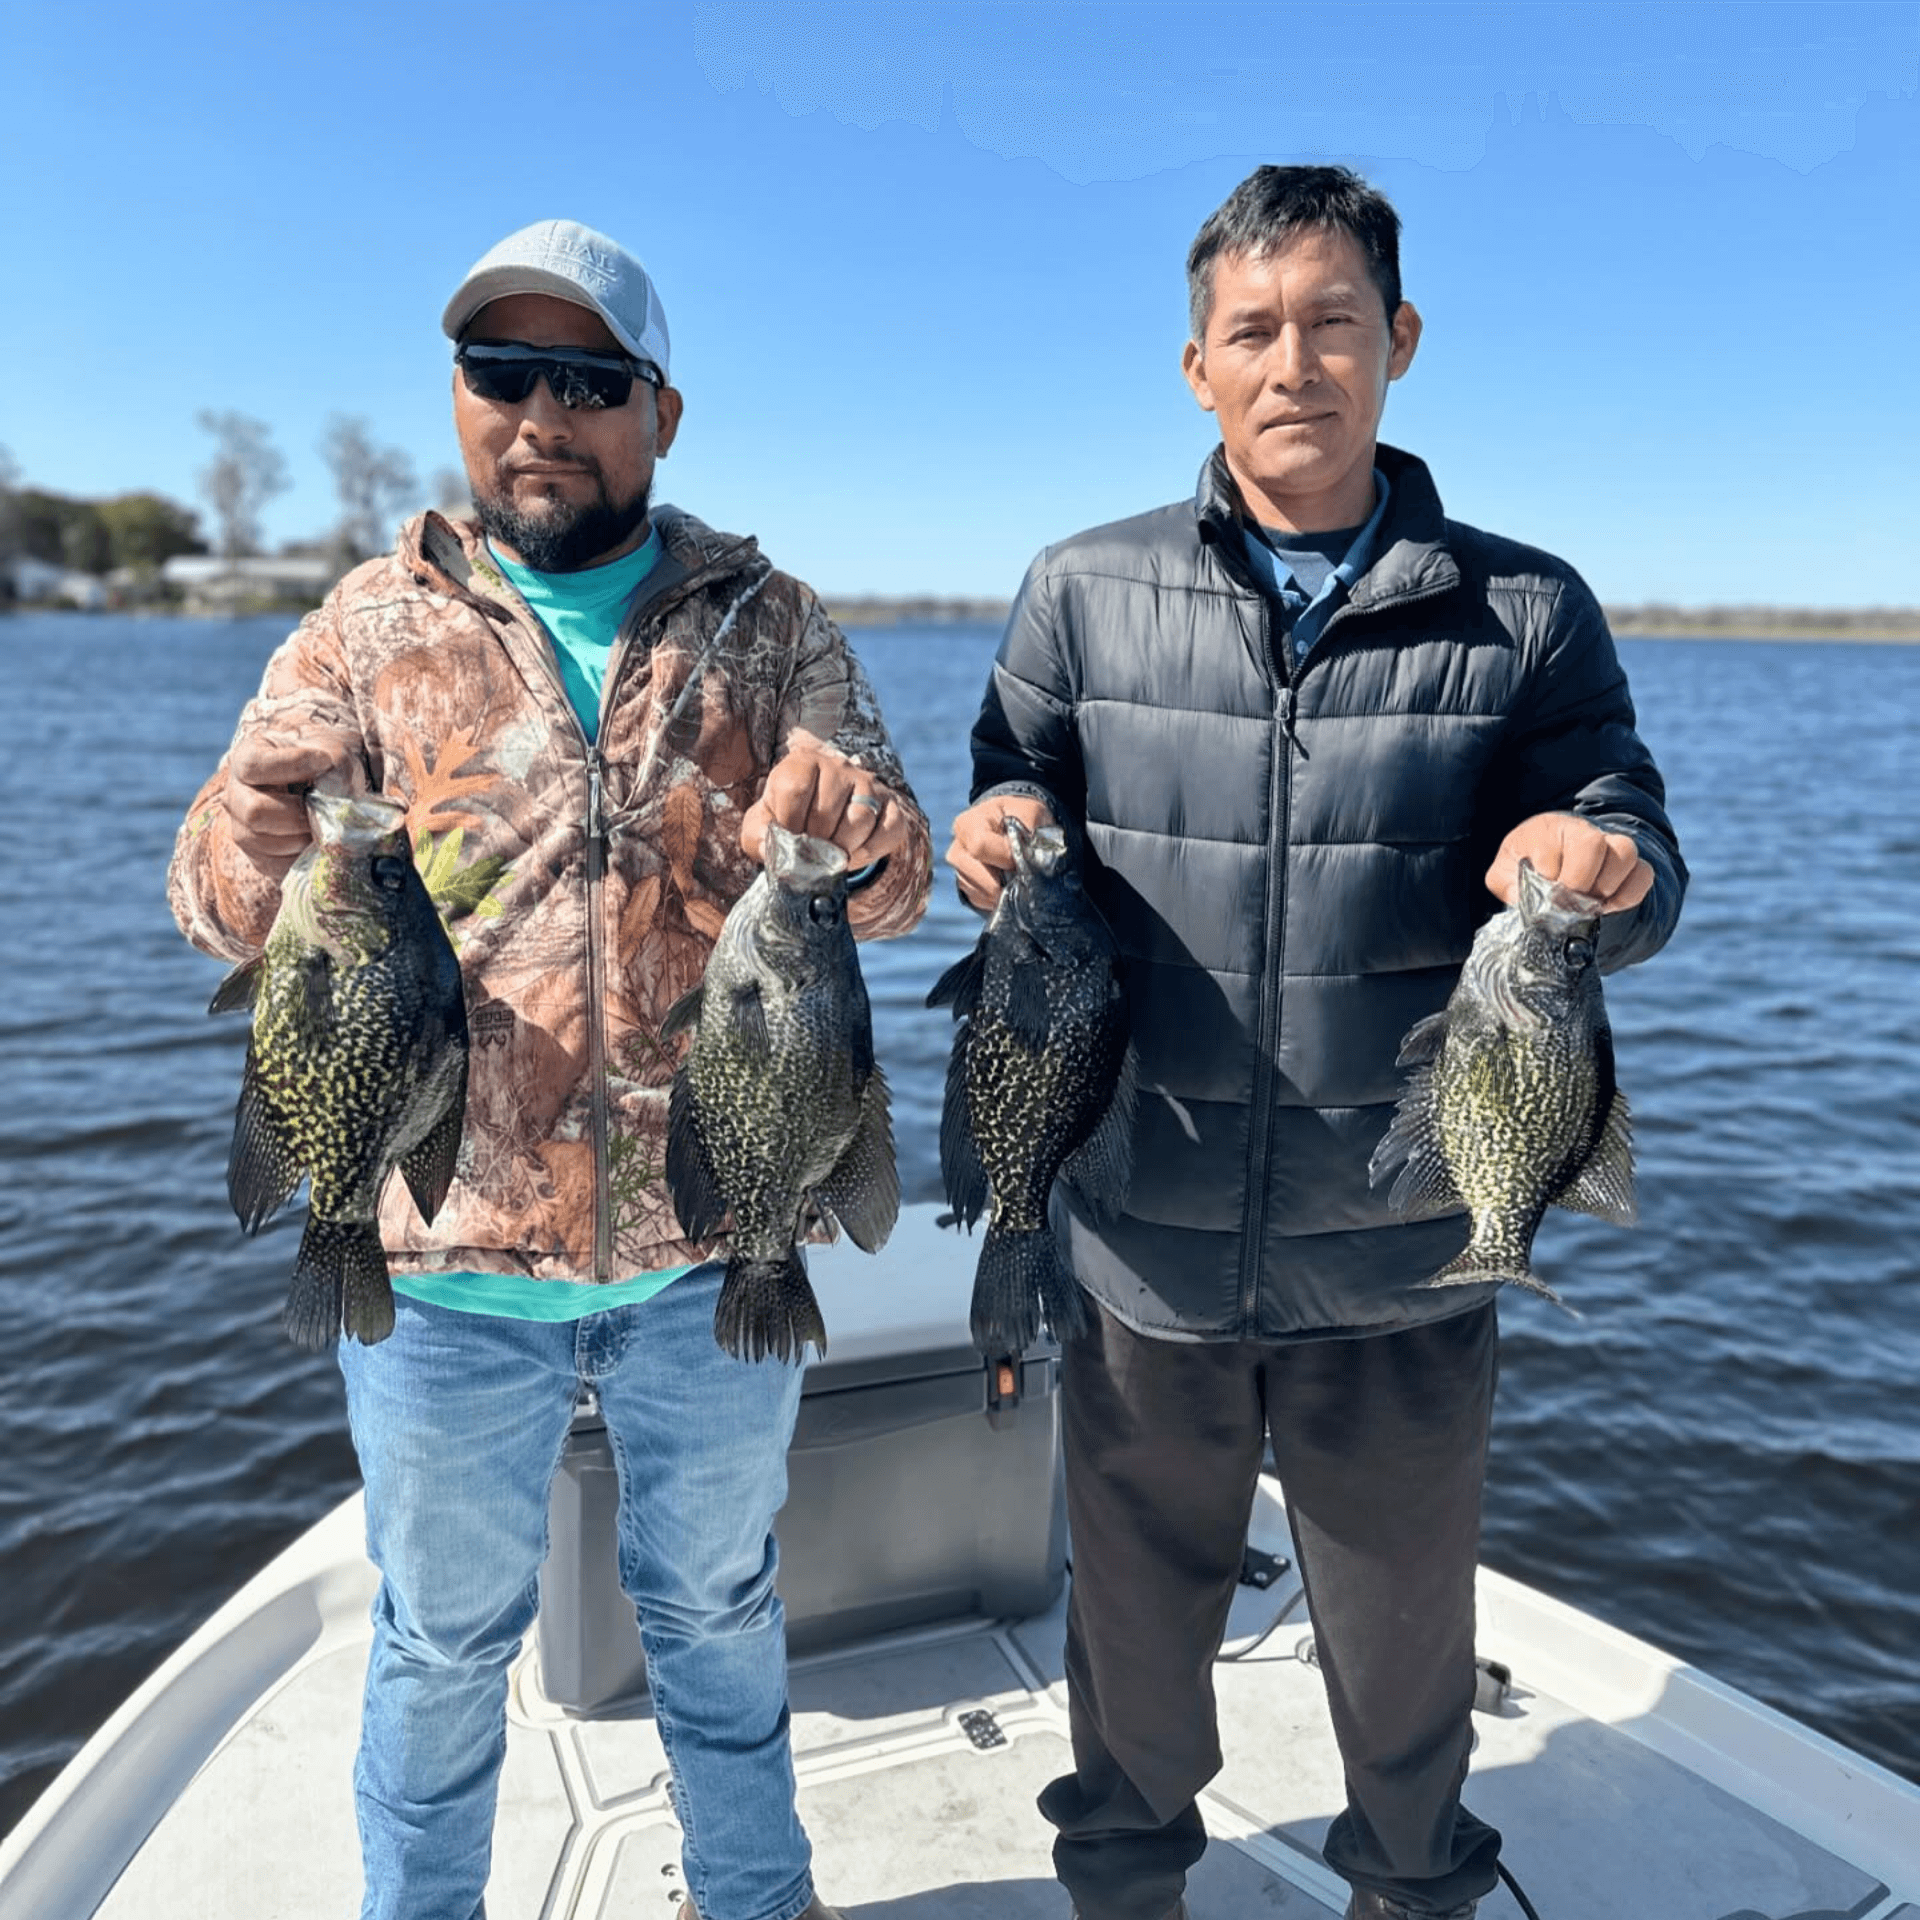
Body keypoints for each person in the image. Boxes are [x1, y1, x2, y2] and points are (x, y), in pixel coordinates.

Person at [944, 166, 1686, 1920]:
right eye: (1254, 330)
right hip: (1146, 1255)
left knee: (1411, 1671)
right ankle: (1128, 1891)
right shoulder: (1079, 590)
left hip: (1411, 1262)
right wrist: (991, 826)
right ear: (1195, 365)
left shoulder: (1526, 611)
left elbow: (1632, 845)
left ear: (1400, 342)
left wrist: (1609, 864)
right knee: (1129, 1669)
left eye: (1334, 322)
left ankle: (1415, 1894)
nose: (1297, 363)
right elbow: (1012, 775)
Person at [169, 218, 931, 1920]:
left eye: (586, 381)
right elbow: (217, 910)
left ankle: (753, 1898)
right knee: (440, 1650)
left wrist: (870, 836)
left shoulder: (770, 620)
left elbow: (895, 890)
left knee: (722, 1621)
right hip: (436, 1264)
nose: (541, 414)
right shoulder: (368, 628)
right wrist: (251, 829)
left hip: (714, 1241)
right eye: (502, 373)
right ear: (457, 398)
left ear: (662, 413)